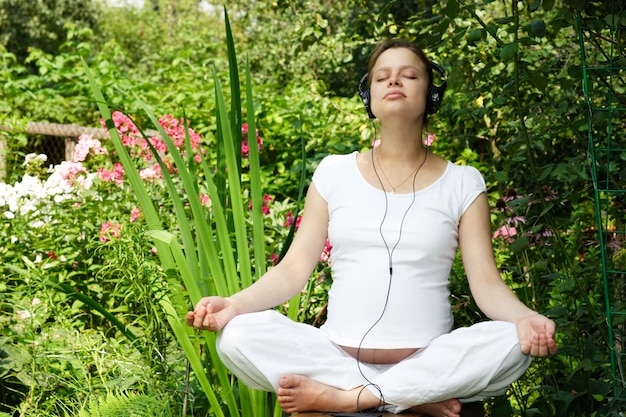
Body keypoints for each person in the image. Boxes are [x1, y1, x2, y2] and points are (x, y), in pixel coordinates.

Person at [186, 38, 558, 417]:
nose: (394, 82)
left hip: (428, 359)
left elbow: (487, 285)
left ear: (430, 94)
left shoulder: (463, 182)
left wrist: (525, 319)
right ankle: (408, 398)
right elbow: (293, 270)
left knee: (513, 341)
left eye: (409, 75)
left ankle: (352, 398)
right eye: (383, 77)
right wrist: (233, 305)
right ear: (369, 97)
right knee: (236, 335)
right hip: (334, 357)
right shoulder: (334, 172)